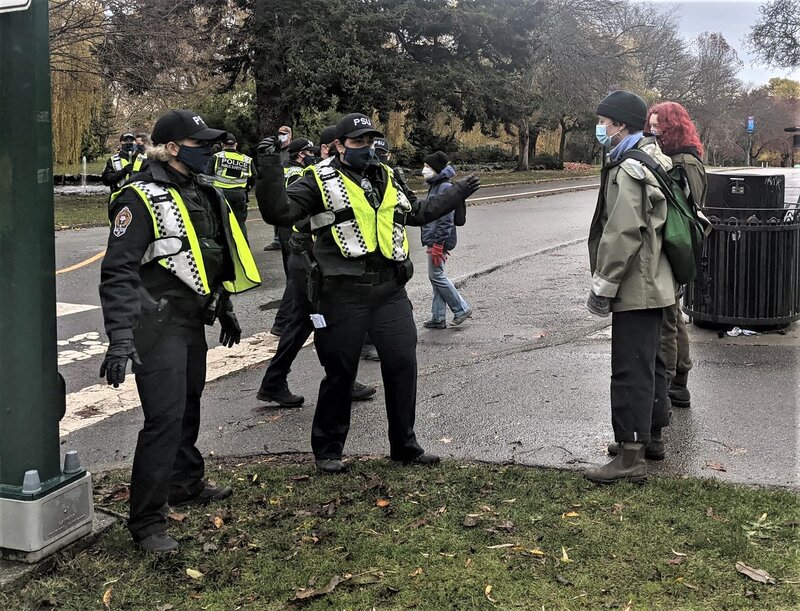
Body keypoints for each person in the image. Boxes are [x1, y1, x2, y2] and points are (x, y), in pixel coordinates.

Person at [256, 112, 480, 473]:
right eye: (357, 142)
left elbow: (419, 213)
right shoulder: (318, 179)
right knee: (341, 373)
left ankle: (405, 446)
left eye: (370, 141)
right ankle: (328, 451)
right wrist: (268, 167)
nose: (366, 147)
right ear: (339, 146)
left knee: (402, 365)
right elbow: (278, 212)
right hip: (341, 294)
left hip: (389, 291)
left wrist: (456, 192)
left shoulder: (387, 176)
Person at [98, 109, 261, 553]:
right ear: (172, 148)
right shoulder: (137, 198)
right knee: (163, 420)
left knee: (188, 407)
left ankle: (185, 482)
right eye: (201, 144)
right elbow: (118, 273)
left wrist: (224, 305)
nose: (212, 151)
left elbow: (208, 256)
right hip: (156, 327)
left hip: (193, 320)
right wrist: (120, 338)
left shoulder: (203, 191)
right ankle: (147, 522)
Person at [584, 90, 676, 484]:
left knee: (630, 369)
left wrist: (602, 288)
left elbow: (621, 233)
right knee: (650, 362)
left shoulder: (628, 169)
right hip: (658, 279)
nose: (600, 128)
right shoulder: (654, 159)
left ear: (620, 124)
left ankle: (629, 457)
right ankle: (650, 437)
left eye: (604, 121)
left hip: (635, 284)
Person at [257, 125, 376, 407]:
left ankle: (274, 382)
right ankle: (341, 381)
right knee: (332, 323)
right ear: (333, 147)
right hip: (313, 262)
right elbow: (286, 212)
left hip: (307, 260)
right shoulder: (324, 177)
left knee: (303, 325)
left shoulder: (333, 173)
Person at [646, 102, 706, 410]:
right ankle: (678, 380)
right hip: (676, 244)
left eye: (659, 126)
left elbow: (683, 207)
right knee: (673, 316)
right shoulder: (680, 157)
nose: (654, 131)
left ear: (673, 127)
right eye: (651, 125)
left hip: (676, 244)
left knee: (669, 318)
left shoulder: (683, 162)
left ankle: (670, 382)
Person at [419, 151, 471, 328]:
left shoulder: (444, 188)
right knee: (436, 277)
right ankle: (438, 317)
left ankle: (461, 308)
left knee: (437, 275)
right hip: (434, 239)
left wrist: (438, 245)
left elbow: (445, 219)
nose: (424, 170)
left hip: (438, 240)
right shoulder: (436, 185)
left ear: (435, 168)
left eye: (427, 167)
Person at [208, 133, 256, 237]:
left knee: (221, 223)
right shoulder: (247, 159)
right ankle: (243, 249)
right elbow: (253, 177)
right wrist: (246, 189)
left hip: (221, 195)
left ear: (222, 145)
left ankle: (225, 251)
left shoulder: (216, 157)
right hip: (239, 194)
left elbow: (207, 176)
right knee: (240, 223)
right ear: (236, 144)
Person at [264, 125, 294, 251]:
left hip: (291, 187)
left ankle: (291, 239)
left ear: (290, 135)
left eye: (284, 134)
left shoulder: (293, 150)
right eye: (280, 134)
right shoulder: (275, 150)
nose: (281, 136)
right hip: (278, 186)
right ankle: (277, 240)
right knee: (276, 212)